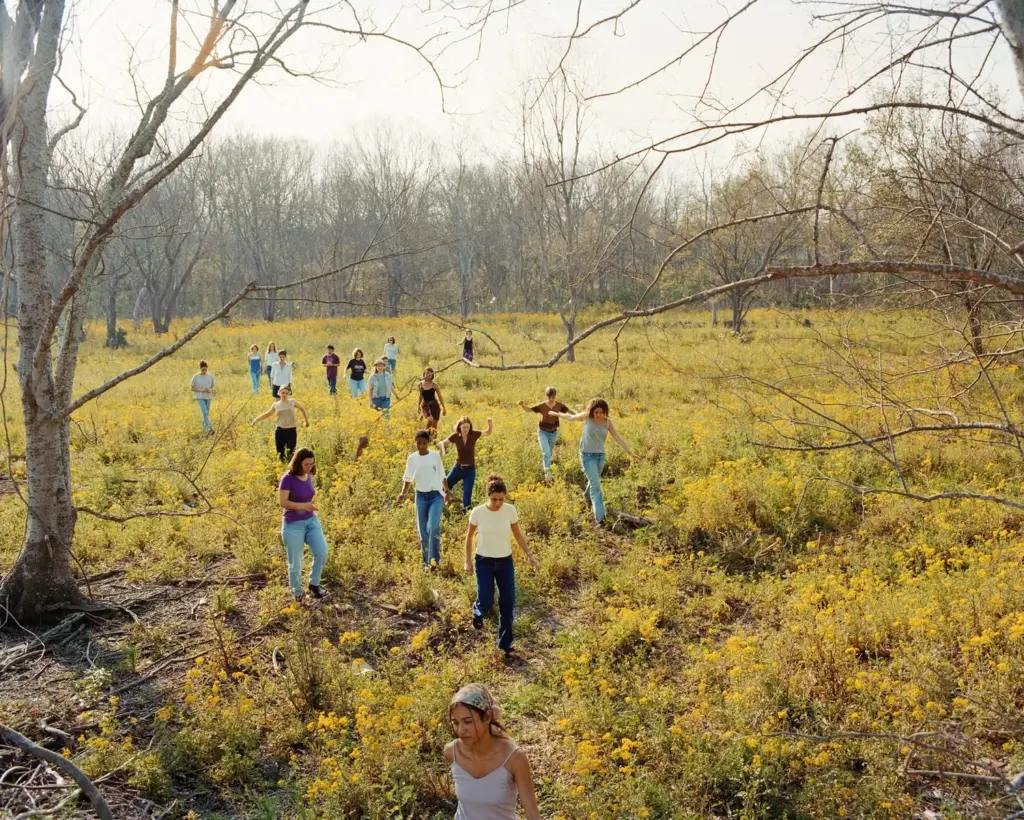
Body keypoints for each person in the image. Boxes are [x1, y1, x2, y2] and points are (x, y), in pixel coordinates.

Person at [464, 475, 538, 656]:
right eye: (494, 499)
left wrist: (529, 555)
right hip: (484, 562)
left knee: (507, 603)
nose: (498, 503)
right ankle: (478, 611)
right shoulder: (478, 512)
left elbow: (518, 535)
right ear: (488, 496)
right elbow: (469, 538)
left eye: (501, 499)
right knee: (487, 600)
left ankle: (505, 645)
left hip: (505, 562)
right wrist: (467, 561)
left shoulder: (510, 510)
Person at [445, 684, 541, 820]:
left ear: (487, 717)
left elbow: (532, 814)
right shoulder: (452, 753)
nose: (461, 730)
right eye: (455, 722)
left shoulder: (514, 758)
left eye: (467, 721)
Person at [555, 398, 640, 526]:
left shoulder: (607, 423)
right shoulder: (586, 418)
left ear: (604, 411)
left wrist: (630, 452)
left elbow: (617, 438)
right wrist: (557, 414)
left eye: (601, 412)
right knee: (596, 486)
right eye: (596, 412)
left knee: (594, 481)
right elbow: (571, 417)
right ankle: (600, 518)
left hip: (600, 456)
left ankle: (586, 497)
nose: (598, 414)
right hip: (586, 456)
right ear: (591, 411)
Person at [278, 448, 329, 600]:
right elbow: (283, 502)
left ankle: (314, 584)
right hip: (293, 524)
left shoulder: (309, 475)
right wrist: (303, 506)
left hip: (310, 520)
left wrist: (308, 507)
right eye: (306, 464)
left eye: (312, 464)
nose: (310, 467)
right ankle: (297, 592)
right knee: (296, 562)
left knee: (322, 552)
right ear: (298, 463)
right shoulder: (287, 478)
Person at [396, 430, 449, 568]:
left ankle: (435, 560)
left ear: (428, 443)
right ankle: (427, 564)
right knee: (423, 532)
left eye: (424, 443)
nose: (421, 446)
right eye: (418, 443)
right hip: (420, 496)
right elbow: (408, 478)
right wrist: (403, 494)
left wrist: (447, 491)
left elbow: (442, 474)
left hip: (436, 495)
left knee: (433, 526)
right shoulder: (412, 458)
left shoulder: (435, 456)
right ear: (415, 443)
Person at [443, 417, 494, 512]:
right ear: (459, 427)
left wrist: (490, 425)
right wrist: (440, 449)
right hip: (458, 468)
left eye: (467, 427)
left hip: (470, 470)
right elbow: (443, 443)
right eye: (464, 427)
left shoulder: (474, 434)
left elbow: (487, 432)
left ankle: (465, 514)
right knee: (445, 485)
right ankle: (444, 503)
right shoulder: (455, 436)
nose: (466, 429)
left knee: (467, 496)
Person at [518, 387, 571, 479]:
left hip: (553, 433)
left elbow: (569, 411)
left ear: (555, 396)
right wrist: (522, 405)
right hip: (543, 432)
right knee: (546, 453)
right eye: (549, 397)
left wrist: (580, 415)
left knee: (549, 453)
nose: (551, 399)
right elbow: (529, 410)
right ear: (547, 396)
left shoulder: (558, 405)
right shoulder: (542, 406)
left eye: (553, 397)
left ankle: (548, 465)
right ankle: (548, 475)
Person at [251, 386, 309, 462]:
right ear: (279, 393)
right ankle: (282, 469)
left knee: (291, 453)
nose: (284, 395)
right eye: (283, 393)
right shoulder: (276, 404)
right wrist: (256, 420)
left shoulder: (292, 402)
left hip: (291, 431)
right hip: (279, 431)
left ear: (289, 393)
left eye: (286, 393)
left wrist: (306, 422)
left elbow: (303, 410)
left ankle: (291, 470)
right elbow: (267, 414)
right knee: (280, 453)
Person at [417, 367, 446, 435]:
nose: (428, 375)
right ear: (424, 374)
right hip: (425, 405)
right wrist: (418, 406)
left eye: (430, 374)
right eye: (426, 373)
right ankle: (427, 436)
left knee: (435, 424)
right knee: (430, 419)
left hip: (434, 405)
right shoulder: (420, 384)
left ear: (432, 375)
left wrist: (444, 408)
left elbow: (440, 396)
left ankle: (434, 439)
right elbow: (421, 396)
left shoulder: (434, 385)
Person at [189, 361, 215, 434]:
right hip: (199, 396)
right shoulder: (195, 376)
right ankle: (209, 427)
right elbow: (192, 388)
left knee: (206, 413)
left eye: (205, 369)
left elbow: (213, 387)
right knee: (204, 412)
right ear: (200, 369)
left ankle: (204, 428)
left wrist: (210, 390)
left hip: (208, 396)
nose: (204, 371)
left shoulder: (210, 376)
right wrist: (201, 390)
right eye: (203, 369)